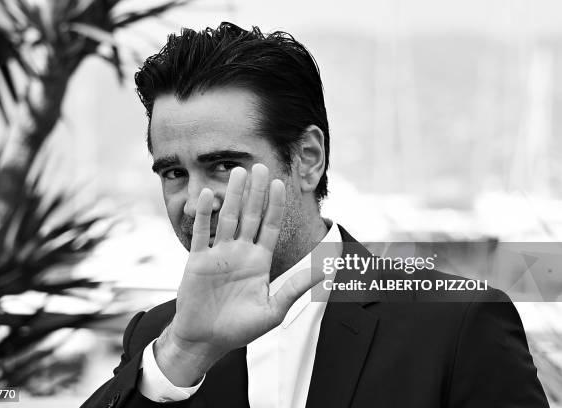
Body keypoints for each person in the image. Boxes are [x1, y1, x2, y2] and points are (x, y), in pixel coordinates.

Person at [82, 22, 549, 408]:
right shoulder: (159, 339)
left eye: (224, 165)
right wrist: (182, 354)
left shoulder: (457, 325)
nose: (195, 200)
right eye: (173, 173)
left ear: (307, 158)